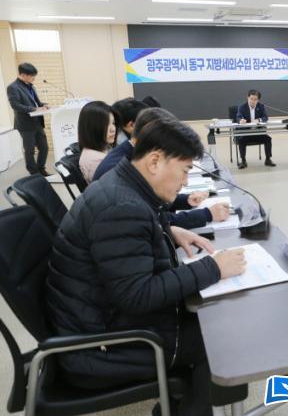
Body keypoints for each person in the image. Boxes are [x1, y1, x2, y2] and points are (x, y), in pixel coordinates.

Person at [47, 118, 248, 416]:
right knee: (224, 337)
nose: (184, 181)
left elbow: (136, 236)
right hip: (104, 348)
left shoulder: (122, 184)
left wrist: (169, 230)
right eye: (184, 170)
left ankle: (182, 403)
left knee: (215, 318)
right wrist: (214, 268)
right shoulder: (121, 208)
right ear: (154, 162)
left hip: (102, 321)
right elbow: (137, 295)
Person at [93, 107, 229, 229]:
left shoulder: (133, 160)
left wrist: (185, 200)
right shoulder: (116, 171)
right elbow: (151, 219)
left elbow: (152, 208)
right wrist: (206, 214)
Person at [6, 62, 50, 176]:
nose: (34, 78)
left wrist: (44, 105)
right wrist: (35, 109)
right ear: (23, 75)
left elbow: (36, 103)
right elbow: (15, 105)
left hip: (37, 123)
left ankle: (41, 169)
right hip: (25, 125)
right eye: (32, 76)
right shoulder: (13, 87)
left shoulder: (31, 86)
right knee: (30, 150)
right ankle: (34, 173)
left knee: (44, 148)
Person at [77, 101, 117, 183]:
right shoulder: (96, 161)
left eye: (113, 123)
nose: (113, 129)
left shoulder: (100, 149)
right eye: (106, 124)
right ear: (92, 128)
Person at [236, 89, 276, 169]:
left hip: (258, 132)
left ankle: (268, 159)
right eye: (251, 99)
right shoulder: (242, 107)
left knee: (268, 139)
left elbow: (265, 117)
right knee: (241, 140)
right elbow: (238, 117)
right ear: (247, 98)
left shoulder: (261, 106)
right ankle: (243, 161)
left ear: (258, 100)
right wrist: (241, 120)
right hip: (246, 133)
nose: (253, 101)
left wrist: (259, 120)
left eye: (255, 99)